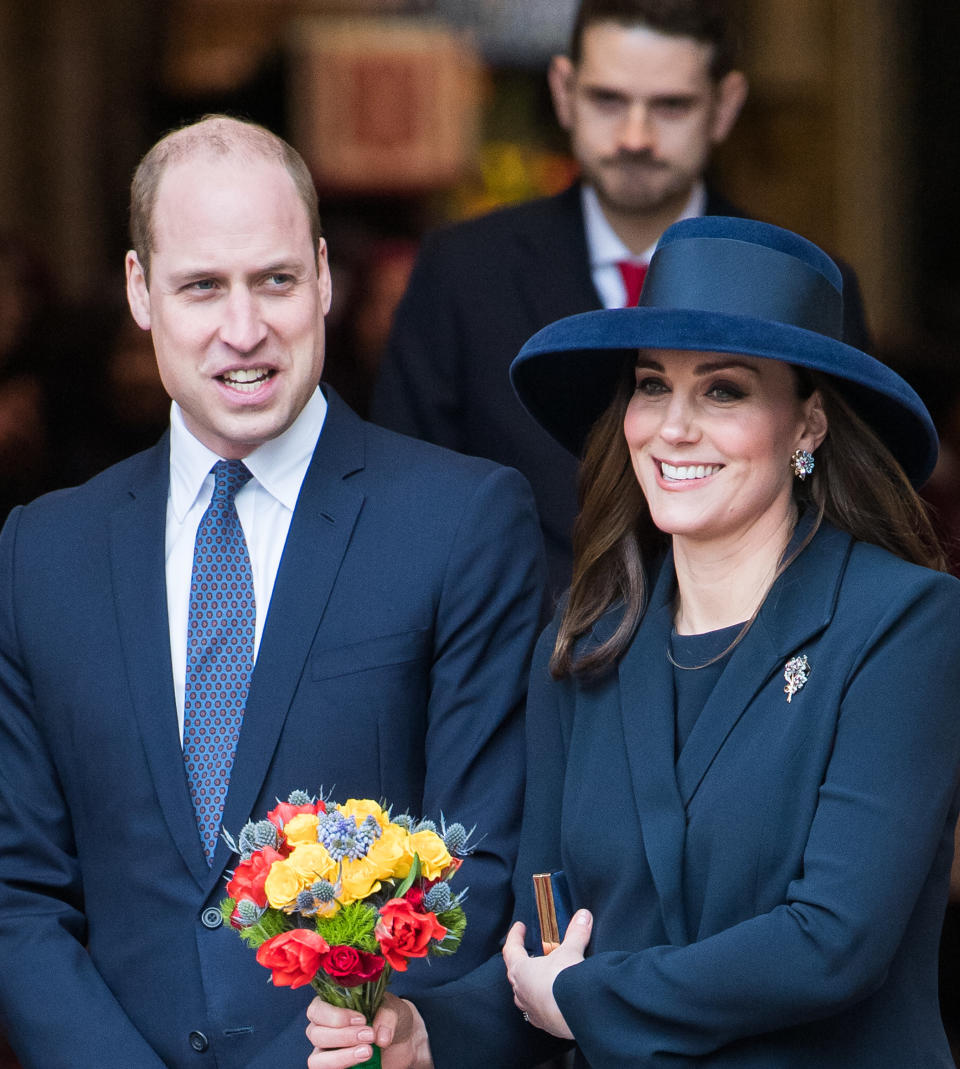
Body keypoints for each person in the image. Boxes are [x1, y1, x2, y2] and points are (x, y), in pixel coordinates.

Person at [307, 216, 960, 1067]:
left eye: (723, 390)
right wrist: (427, 1032)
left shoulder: (905, 621)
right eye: (654, 386)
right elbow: (548, 937)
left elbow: (833, 940)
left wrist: (584, 997)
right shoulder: (585, 643)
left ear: (808, 426)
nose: (673, 428)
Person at [0, 115, 546, 1069]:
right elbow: (17, 891)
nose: (243, 329)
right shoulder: (42, 551)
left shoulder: (461, 521)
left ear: (325, 278)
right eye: (203, 285)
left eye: (277, 280)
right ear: (140, 290)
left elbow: (483, 861)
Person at [370, 0, 871, 598]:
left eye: (670, 105)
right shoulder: (460, 272)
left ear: (725, 104)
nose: (636, 137)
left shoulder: (807, 286)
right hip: (517, 663)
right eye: (608, 101)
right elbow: (404, 509)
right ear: (563, 91)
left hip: (752, 661)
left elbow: (848, 514)